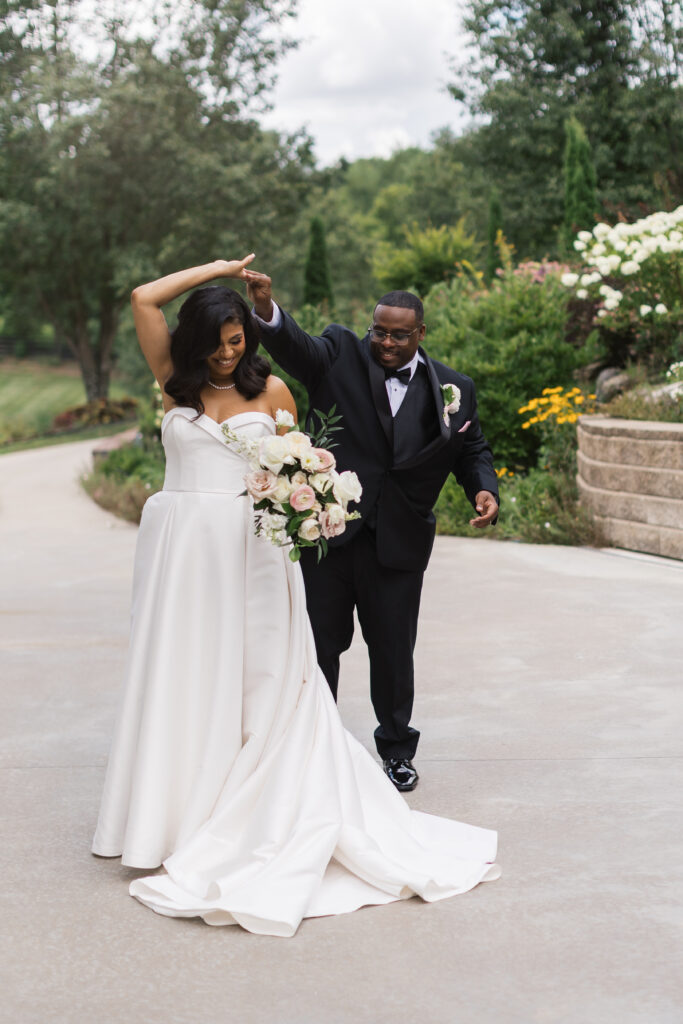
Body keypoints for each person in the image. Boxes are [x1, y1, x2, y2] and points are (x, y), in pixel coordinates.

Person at [91, 256, 500, 937]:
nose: (231, 354)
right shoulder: (175, 384)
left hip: (256, 561)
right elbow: (142, 298)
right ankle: (180, 812)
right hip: (185, 561)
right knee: (187, 678)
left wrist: (306, 506)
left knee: (281, 679)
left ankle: (359, 765)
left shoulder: (274, 391)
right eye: (221, 342)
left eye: (239, 341)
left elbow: (297, 470)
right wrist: (217, 272)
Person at [244, 270, 499, 793]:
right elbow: (296, 348)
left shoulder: (455, 389)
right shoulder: (338, 353)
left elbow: (471, 451)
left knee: (392, 652)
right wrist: (268, 309)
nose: (384, 341)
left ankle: (397, 752)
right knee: (320, 646)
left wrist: (482, 489)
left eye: (397, 334)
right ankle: (316, 746)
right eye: (378, 331)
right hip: (329, 536)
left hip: (400, 541)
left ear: (420, 333)